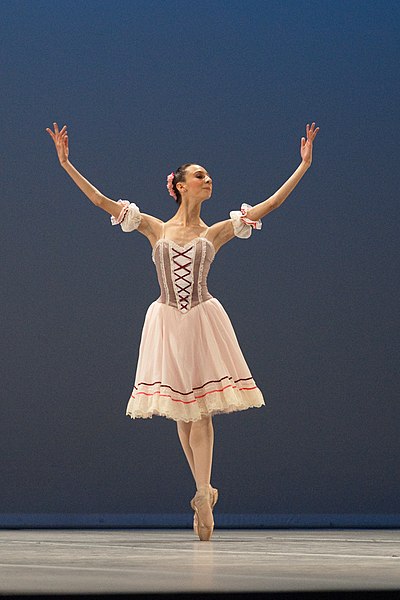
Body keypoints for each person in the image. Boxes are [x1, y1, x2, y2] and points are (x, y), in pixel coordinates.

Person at [46, 121, 319, 541]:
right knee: (182, 411)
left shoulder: (216, 231)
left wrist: (302, 166)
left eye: (208, 176)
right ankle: (204, 489)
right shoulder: (155, 227)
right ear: (179, 186)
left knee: (203, 410)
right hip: (168, 322)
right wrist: (66, 163)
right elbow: (100, 200)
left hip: (204, 320)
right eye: (199, 176)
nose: (208, 180)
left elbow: (270, 206)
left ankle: (201, 495)